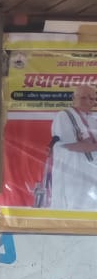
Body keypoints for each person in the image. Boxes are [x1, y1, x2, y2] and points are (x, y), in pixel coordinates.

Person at [47, 83, 97, 211]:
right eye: (84, 97)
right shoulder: (65, 116)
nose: (88, 101)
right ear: (74, 98)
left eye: (92, 98)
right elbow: (69, 146)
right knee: (74, 209)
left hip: (91, 175)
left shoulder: (93, 119)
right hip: (73, 174)